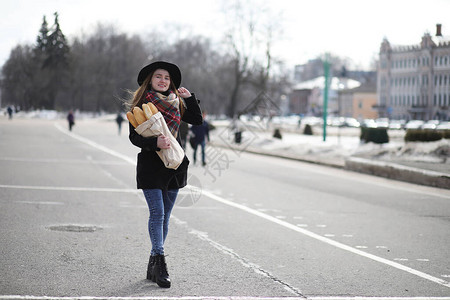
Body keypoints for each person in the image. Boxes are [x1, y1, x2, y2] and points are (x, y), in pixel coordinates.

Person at [127, 61, 203, 288]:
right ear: (150, 80)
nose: (163, 80)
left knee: (166, 217)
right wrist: (154, 142)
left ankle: (153, 264)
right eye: (158, 76)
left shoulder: (177, 103)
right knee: (157, 213)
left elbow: (197, 120)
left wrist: (189, 98)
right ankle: (160, 263)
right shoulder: (141, 105)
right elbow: (134, 137)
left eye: (167, 78)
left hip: (175, 166)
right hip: (152, 166)